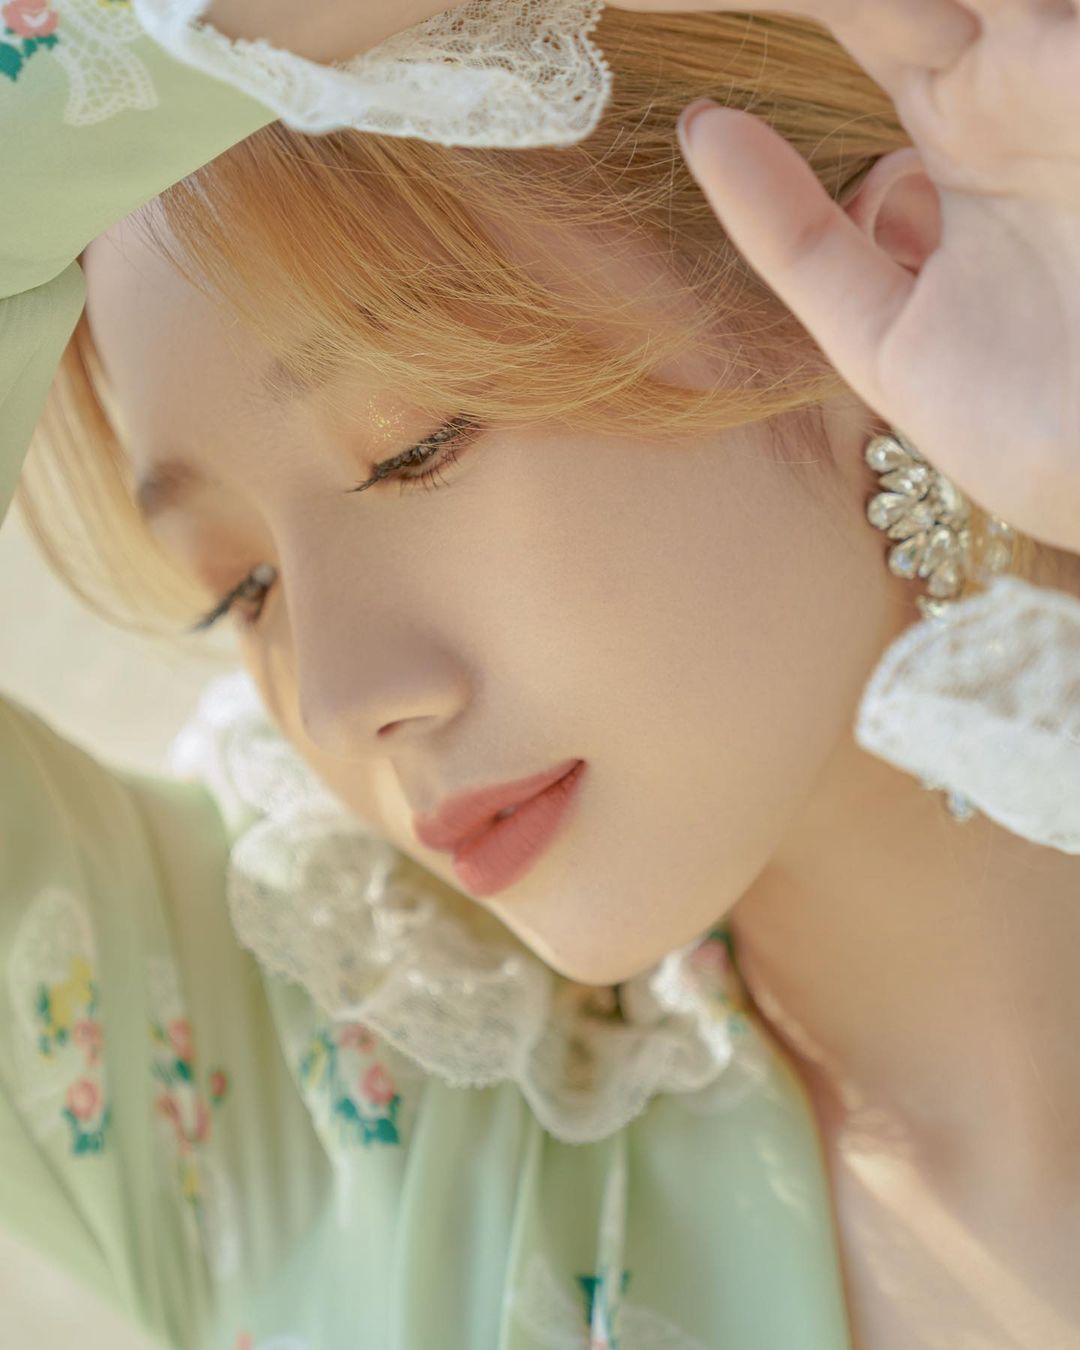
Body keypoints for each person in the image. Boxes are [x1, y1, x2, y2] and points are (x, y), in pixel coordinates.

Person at [2, 1, 1079, 1347]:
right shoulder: (292, 1103)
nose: (336, 698)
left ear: (897, 263)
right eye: (242, 590)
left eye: (415, 448)